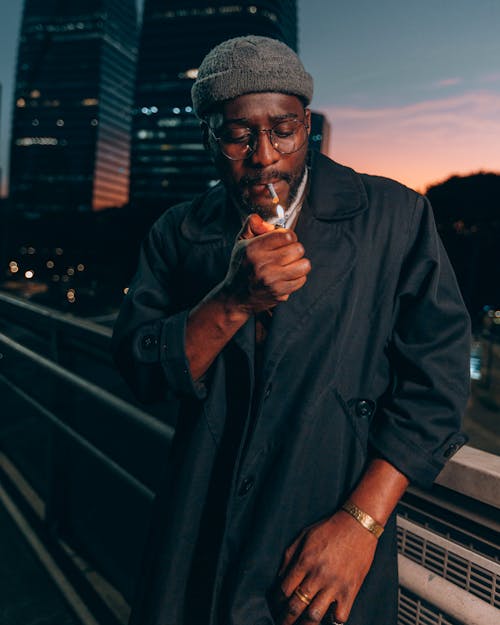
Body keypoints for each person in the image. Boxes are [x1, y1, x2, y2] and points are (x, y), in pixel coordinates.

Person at [112, 35, 470, 625]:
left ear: (308, 124)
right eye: (237, 134)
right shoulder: (177, 232)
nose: (263, 155)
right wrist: (231, 299)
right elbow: (140, 369)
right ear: (209, 135)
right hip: (198, 528)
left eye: (283, 130)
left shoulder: (395, 216)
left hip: (324, 530)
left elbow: (438, 383)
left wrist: (362, 524)